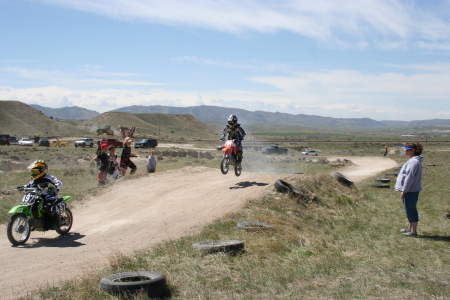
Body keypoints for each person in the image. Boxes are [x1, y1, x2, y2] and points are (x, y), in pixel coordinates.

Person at [395, 142, 424, 237]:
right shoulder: (413, 160)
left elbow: (409, 177)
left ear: (413, 151)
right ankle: (410, 228)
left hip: (410, 190)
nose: (406, 151)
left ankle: (413, 231)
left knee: (411, 210)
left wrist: (404, 190)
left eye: (408, 150)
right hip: (410, 190)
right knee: (408, 209)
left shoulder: (414, 162)